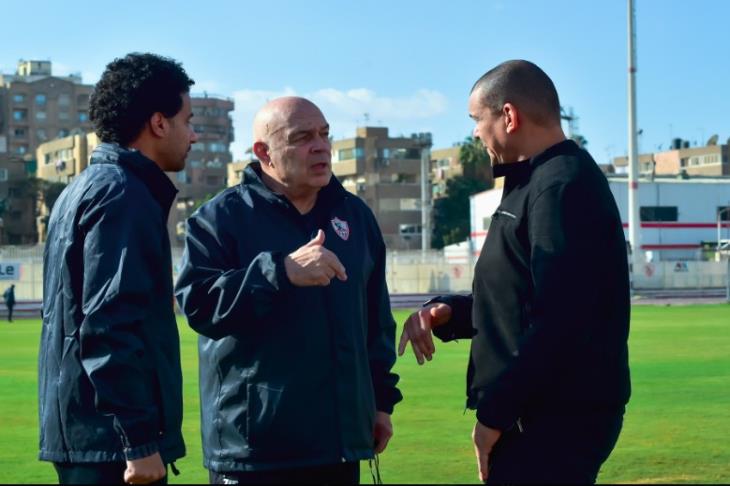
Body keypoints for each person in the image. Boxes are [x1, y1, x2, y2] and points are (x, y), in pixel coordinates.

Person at [399, 60, 631, 484]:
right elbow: (517, 299)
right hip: (536, 415)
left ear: (508, 116)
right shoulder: (531, 182)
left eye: (477, 119)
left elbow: (560, 320)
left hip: (552, 421)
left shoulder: (561, 186)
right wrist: (449, 312)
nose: (474, 133)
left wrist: (494, 416)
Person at [175, 96, 402, 484]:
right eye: (302, 137)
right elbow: (197, 305)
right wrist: (279, 271)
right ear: (264, 152)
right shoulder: (219, 219)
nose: (321, 146)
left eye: (325, 134)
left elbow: (375, 322)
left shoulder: (354, 216)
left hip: (338, 448)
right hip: (255, 452)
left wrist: (381, 404)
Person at [38, 53, 198, 485]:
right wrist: (139, 442)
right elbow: (108, 323)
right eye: (188, 119)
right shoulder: (123, 195)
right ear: (159, 123)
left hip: (87, 436)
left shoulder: (82, 188)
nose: (194, 134)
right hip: (111, 448)